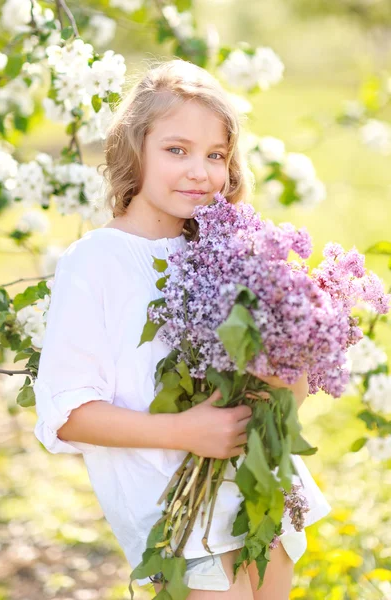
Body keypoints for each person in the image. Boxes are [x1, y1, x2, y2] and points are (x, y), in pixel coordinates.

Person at [33, 59, 331, 600]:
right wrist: (186, 432)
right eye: (177, 150)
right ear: (133, 150)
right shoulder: (97, 260)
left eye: (215, 155)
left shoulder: (226, 254)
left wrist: (294, 356)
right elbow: (67, 413)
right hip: (180, 524)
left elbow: (280, 403)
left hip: (261, 502)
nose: (200, 171)